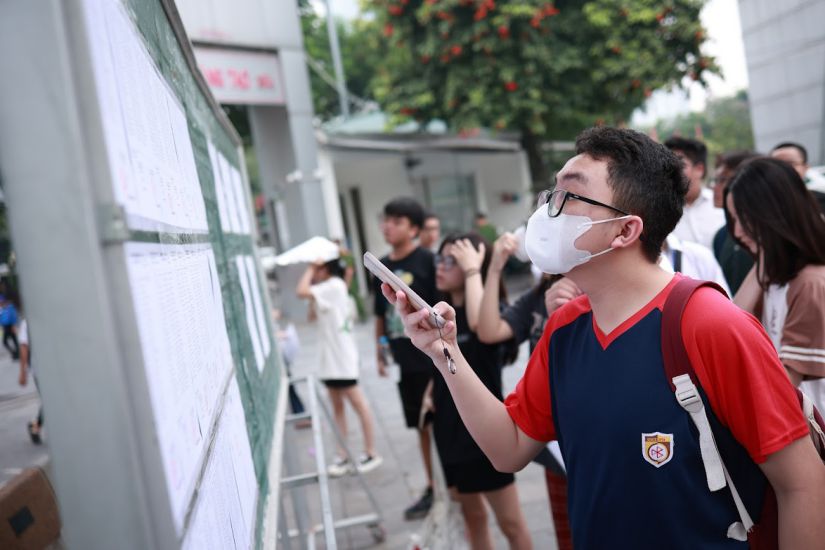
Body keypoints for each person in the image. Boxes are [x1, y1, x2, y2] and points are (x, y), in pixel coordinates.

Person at [383, 127, 825, 548]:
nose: (547, 212)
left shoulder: (711, 325)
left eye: (568, 195)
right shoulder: (565, 329)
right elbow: (509, 447)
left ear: (626, 230)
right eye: (549, 194)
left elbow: (802, 486)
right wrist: (445, 353)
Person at [423, 233, 531, 550]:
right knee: (474, 519)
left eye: (451, 261)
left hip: (485, 433)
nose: (441, 267)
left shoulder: (487, 315)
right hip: (450, 431)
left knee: (511, 523)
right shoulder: (438, 316)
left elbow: (478, 326)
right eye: (439, 259)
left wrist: (474, 271)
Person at [725, 157, 825, 412]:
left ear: (774, 213)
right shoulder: (776, 276)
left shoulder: (810, 284)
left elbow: (784, 384)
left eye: (744, 218)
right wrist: (766, 255)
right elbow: (733, 324)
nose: (737, 232)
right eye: (733, 219)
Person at [373, 197, 437, 519]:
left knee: (441, 423)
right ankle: (432, 486)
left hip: (433, 360)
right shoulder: (381, 266)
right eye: (386, 220)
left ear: (413, 228)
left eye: (396, 221)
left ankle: (448, 482)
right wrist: (380, 350)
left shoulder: (428, 261)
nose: (388, 226)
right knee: (420, 427)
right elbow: (379, 313)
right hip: (405, 362)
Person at [296, 258, 382, 476]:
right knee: (338, 407)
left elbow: (300, 291)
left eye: (318, 268)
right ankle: (342, 455)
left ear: (325, 268)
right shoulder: (328, 288)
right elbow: (311, 316)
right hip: (330, 358)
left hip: (341, 357)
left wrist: (309, 269)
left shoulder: (334, 285)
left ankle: (371, 451)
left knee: (358, 404)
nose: (314, 272)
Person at [664, 136, 725, 249]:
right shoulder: (661, 213)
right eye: (668, 166)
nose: (672, 172)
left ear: (699, 169)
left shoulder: (721, 205)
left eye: (679, 165)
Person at [710, 151, 757, 294]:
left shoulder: (763, 233)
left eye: (723, 180)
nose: (715, 187)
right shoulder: (721, 235)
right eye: (716, 180)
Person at [770, 141, 825, 211]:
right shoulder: (761, 202)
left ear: (805, 167)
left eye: (790, 163)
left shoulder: (821, 201)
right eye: (776, 164)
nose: (782, 168)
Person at [17, 317, 42, 444]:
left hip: (60, 369)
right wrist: (23, 372)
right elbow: (24, 346)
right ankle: (36, 424)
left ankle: (36, 424)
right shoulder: (27, 323)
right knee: (50, 402)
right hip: (41, 371)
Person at [0, 294, 19, 360]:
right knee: (8, 341)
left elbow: (13, 316)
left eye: (1, 302)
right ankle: (15, 353)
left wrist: (14, 325)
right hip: (5, 327)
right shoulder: (1, 309)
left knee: (11, 340)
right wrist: (1, 325)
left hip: (10, 326)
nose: (0, 303)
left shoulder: (9, 307)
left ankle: (16, 353)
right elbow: (1, 318)